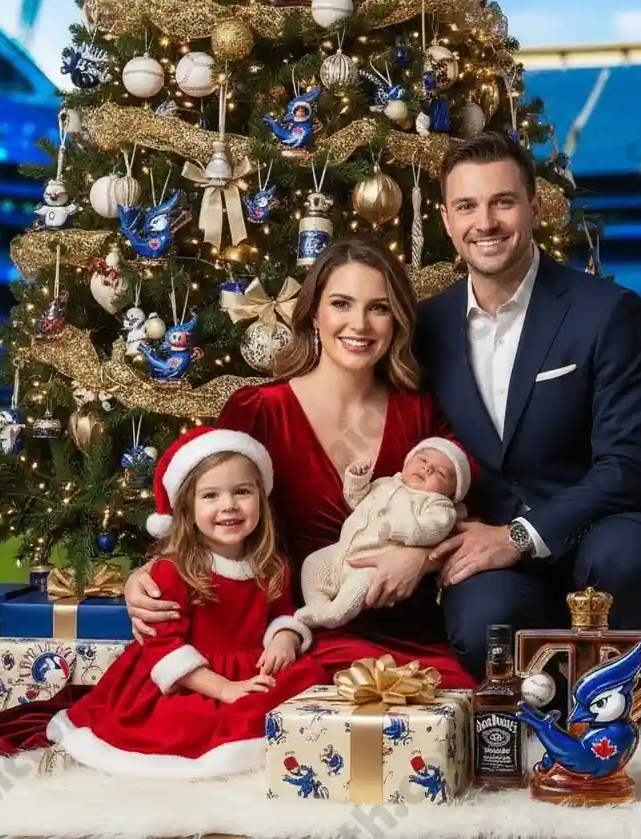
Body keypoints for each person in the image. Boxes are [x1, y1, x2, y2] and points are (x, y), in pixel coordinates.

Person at [124, 239, 476, 688]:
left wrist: (418, 555)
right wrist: (143, 576)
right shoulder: (258, 410)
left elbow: (464, 516)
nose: (359, 325)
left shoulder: (420, 412)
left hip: (409, 630)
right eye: (341, 304)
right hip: (292, 632)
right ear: (314, 313)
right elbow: (207, 513)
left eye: (379, 308)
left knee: (454, 699)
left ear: (398, 321)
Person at [417, 133, 641, 679]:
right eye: (466, 206)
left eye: (502, 202)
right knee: (479, 624)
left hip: (602, 527)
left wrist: (519, 536)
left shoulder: (606, 311)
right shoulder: (426, 326)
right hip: (490, 540)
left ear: (535, 207)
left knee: (622, 558)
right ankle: (551, 701)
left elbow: (630, 465)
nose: (484, 222)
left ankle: (627, 706)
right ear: (445, 220)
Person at [44, 426, 325, 778]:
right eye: (210, 496)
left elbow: (282, 613)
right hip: (188, 676)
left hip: (249, 664)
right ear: (187, 510)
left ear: (261, 499)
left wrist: (286, 635)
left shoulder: (272, 564)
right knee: (187, 725)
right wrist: (224, 688)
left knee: (304, 682)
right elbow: (163, 647)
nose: (229, 506)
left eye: (242, 492)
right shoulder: (174, 570)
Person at [294, 437, 470, 630]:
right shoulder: (385, 483)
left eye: (441, 473)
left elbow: (436, 528)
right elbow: (355, 500)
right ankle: (316, 606)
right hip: (343, 552)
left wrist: (398, 529)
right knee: (313, 563)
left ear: (452, 494)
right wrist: (357, 479)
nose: (427, 469)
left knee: (359, 587)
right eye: (423, 460)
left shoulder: (437, 505)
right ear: (407, 462)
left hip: (376, 564)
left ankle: (334, 614)